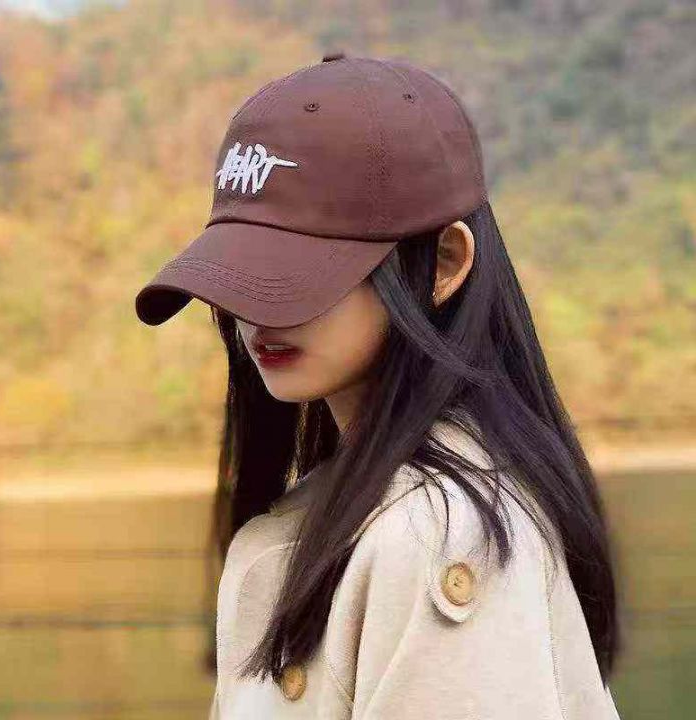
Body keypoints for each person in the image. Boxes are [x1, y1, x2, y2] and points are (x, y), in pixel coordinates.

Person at [135, 51, 622, 719]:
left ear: (444, 264)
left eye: (293, 271)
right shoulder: (365, 517)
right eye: (241, 271)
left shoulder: (440, 537)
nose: (255, 314)